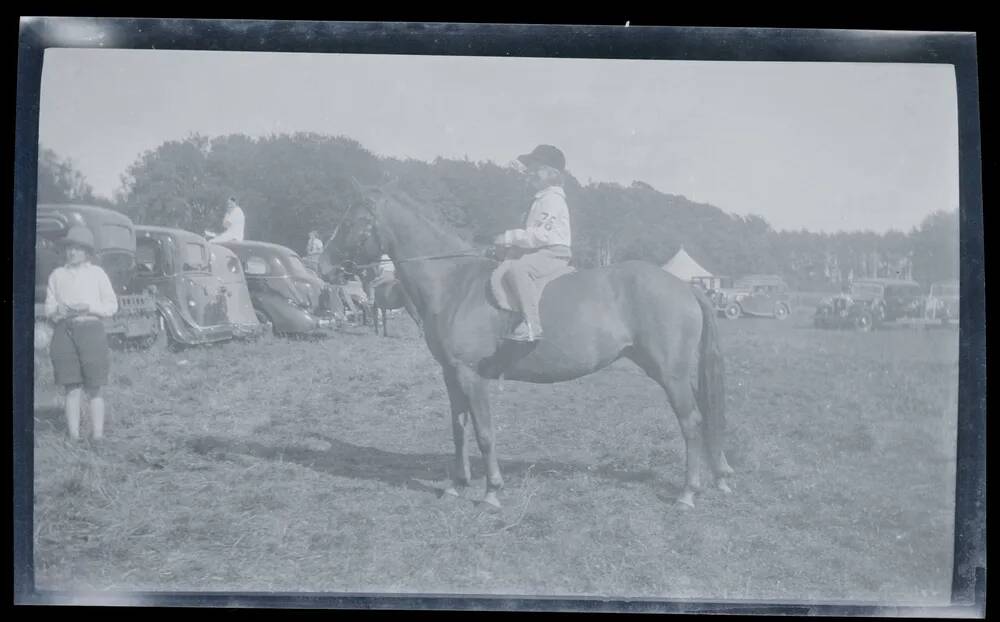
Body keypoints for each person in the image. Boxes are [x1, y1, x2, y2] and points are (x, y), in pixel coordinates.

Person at [44, 226, 119, 442]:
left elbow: (111, 306)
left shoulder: (97, 274)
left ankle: (97, 436)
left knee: (94, 387)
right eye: (69, 248)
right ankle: (74, 436)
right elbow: (49, 308)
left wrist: (89, 307)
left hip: (91, 331)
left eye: (77, 249)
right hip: (64, 332)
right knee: (71, 387)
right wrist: (58, 312)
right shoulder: (57, 275)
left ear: (87, 252)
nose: (72, 253)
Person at [492, 144, 572, 342]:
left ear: (552, 173)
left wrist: (510, 237)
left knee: (519, 270)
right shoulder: (541, 198)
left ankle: (532, 325)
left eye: (536, 169)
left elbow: (540, 236)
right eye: (531, 170)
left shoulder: (552, 199)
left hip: (553, 252)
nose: (531, 174)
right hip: (540, 251)